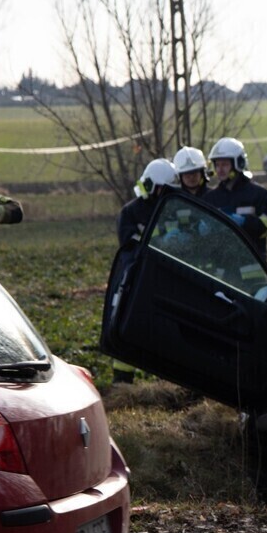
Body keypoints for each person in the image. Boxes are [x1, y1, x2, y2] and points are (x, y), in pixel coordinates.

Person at [110, 158, 180, 384]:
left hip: (164, 280)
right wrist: (160, 241)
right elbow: (130, 244)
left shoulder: (171, 210)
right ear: (155, 186)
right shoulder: (131, 212)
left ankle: (162, 382)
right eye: (165, 189)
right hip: (135, 280)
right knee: (129, 327)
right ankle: (122, 383)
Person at [204, 137, 267, 259]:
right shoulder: (210, 198)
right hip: (221, 265)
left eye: (224, 164)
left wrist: (245, 222)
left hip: (252, 264)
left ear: (238, 164)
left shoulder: (258, 194)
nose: (219, 169)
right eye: (217, 165)